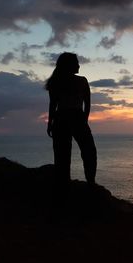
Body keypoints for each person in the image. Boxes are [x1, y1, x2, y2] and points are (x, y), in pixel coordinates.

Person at [45, 52, 97, 185]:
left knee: (65, 154)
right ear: (69, 65)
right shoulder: (77, 81)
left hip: (63, 119)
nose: (79, 65)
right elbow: (87, 103)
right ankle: (88, 182)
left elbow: (53, 104)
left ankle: (69, 183)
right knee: (86, 152)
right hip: (72, 118)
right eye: (76, 62)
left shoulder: (60, 82)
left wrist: (50, 123)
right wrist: (83, 120)